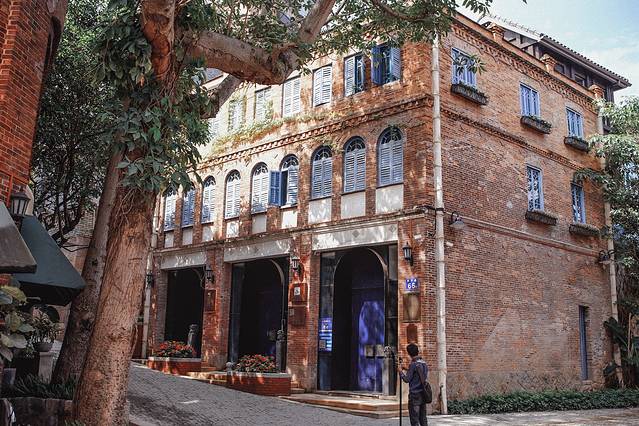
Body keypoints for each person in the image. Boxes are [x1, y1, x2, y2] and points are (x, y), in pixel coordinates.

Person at [399, 343, 428, 426]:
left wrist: (400, 372)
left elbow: (407, 379)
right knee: (423, 418)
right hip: (423, 393)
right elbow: (419, 375)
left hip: (414, 395)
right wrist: (407, 369)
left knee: (414, 419)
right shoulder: (424, 363)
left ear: (409, 353)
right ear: (417, 351)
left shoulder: (413, 364)